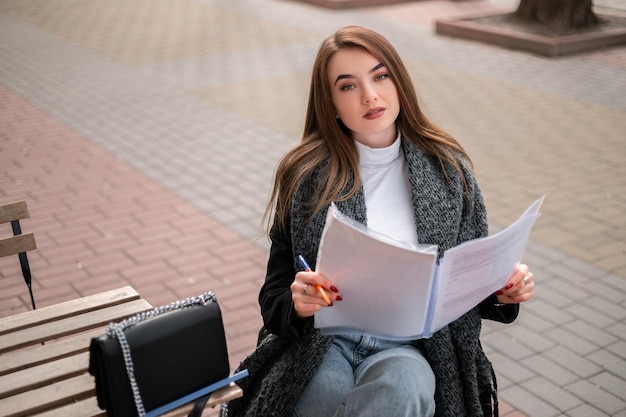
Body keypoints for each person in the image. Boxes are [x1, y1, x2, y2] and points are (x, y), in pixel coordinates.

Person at [222, 25, 535, 417]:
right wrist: (298, 303)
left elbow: (469, 279)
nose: (370, 95)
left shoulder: (449, 170)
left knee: (405, 390)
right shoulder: (306, 176)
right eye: (348, 86)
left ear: (399, 82)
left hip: (408, 347)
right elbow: (274, 298)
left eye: (380, 75)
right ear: (331, 104)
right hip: (323, 341)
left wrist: (503, 290)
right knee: (319, 391)